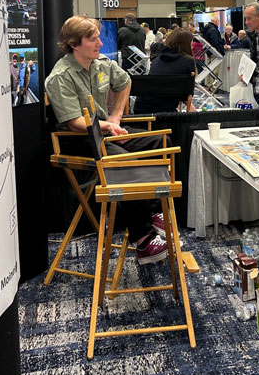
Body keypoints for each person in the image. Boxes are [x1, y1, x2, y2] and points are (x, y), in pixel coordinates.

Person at [45, 15, 168, 265]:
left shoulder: (102, 64)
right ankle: (143, 238)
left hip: (103, 132)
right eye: (93, 39)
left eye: (98, 37)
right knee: (123, 161)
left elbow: (125, 82)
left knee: (155, 141)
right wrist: (109, 125)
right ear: (74, 44)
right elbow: (74, 122)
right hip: (77, 139)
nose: (100, 43)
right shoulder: (60, 77)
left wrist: (117, 116)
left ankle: (154, 210)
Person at [133, 28, 197, 114]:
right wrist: (189, 103)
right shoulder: (188, 61)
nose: (192, 46)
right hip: (166, 111)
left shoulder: (157, 59)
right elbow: (187, 90)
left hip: (141, 108)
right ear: (185, 44)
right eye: (191, 43)